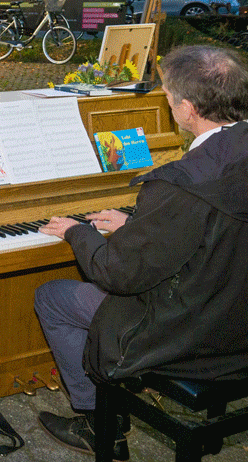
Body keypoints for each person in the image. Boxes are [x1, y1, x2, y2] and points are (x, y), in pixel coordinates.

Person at [33, 45, 248, 459]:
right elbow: (216, 230)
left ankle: (101, 425)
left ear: (187, 109)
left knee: (53, 297)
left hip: (193, 335)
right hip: (236, 315)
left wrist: (78, 232)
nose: (167, 104)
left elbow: (117, 273)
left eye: (167, 97)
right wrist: (138, 225)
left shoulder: (179, 182)